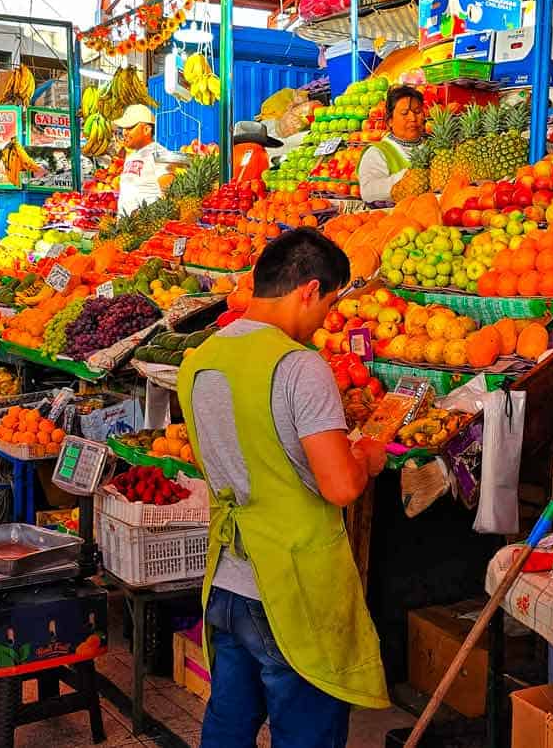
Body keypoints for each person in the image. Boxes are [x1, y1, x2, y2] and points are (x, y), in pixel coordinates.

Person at [177, 228, 390, 748]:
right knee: (306, 734)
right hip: (291, 591)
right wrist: (368, 457)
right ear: (309, 290)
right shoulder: (299, 366)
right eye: (330, 302)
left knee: (227, 726)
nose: (324, 320)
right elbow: (340, 487)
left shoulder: (199, 359)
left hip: (226, 578)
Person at [357, 84, 427, 203]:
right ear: (390, 121)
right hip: (396, 218)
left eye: (417, 111)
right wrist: (412, 176)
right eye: (404, 113)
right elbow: (368, 192)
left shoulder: (434, 148)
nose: (413, 118)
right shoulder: (376, 152)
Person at [112, 104, 174, 217]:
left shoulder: (159, 153)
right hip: (127, 228)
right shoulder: (132, 156)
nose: (125, 132)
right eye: (124, 128)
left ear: (146, 130)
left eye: (130, 127)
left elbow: (169, 193)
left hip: (146, 228)